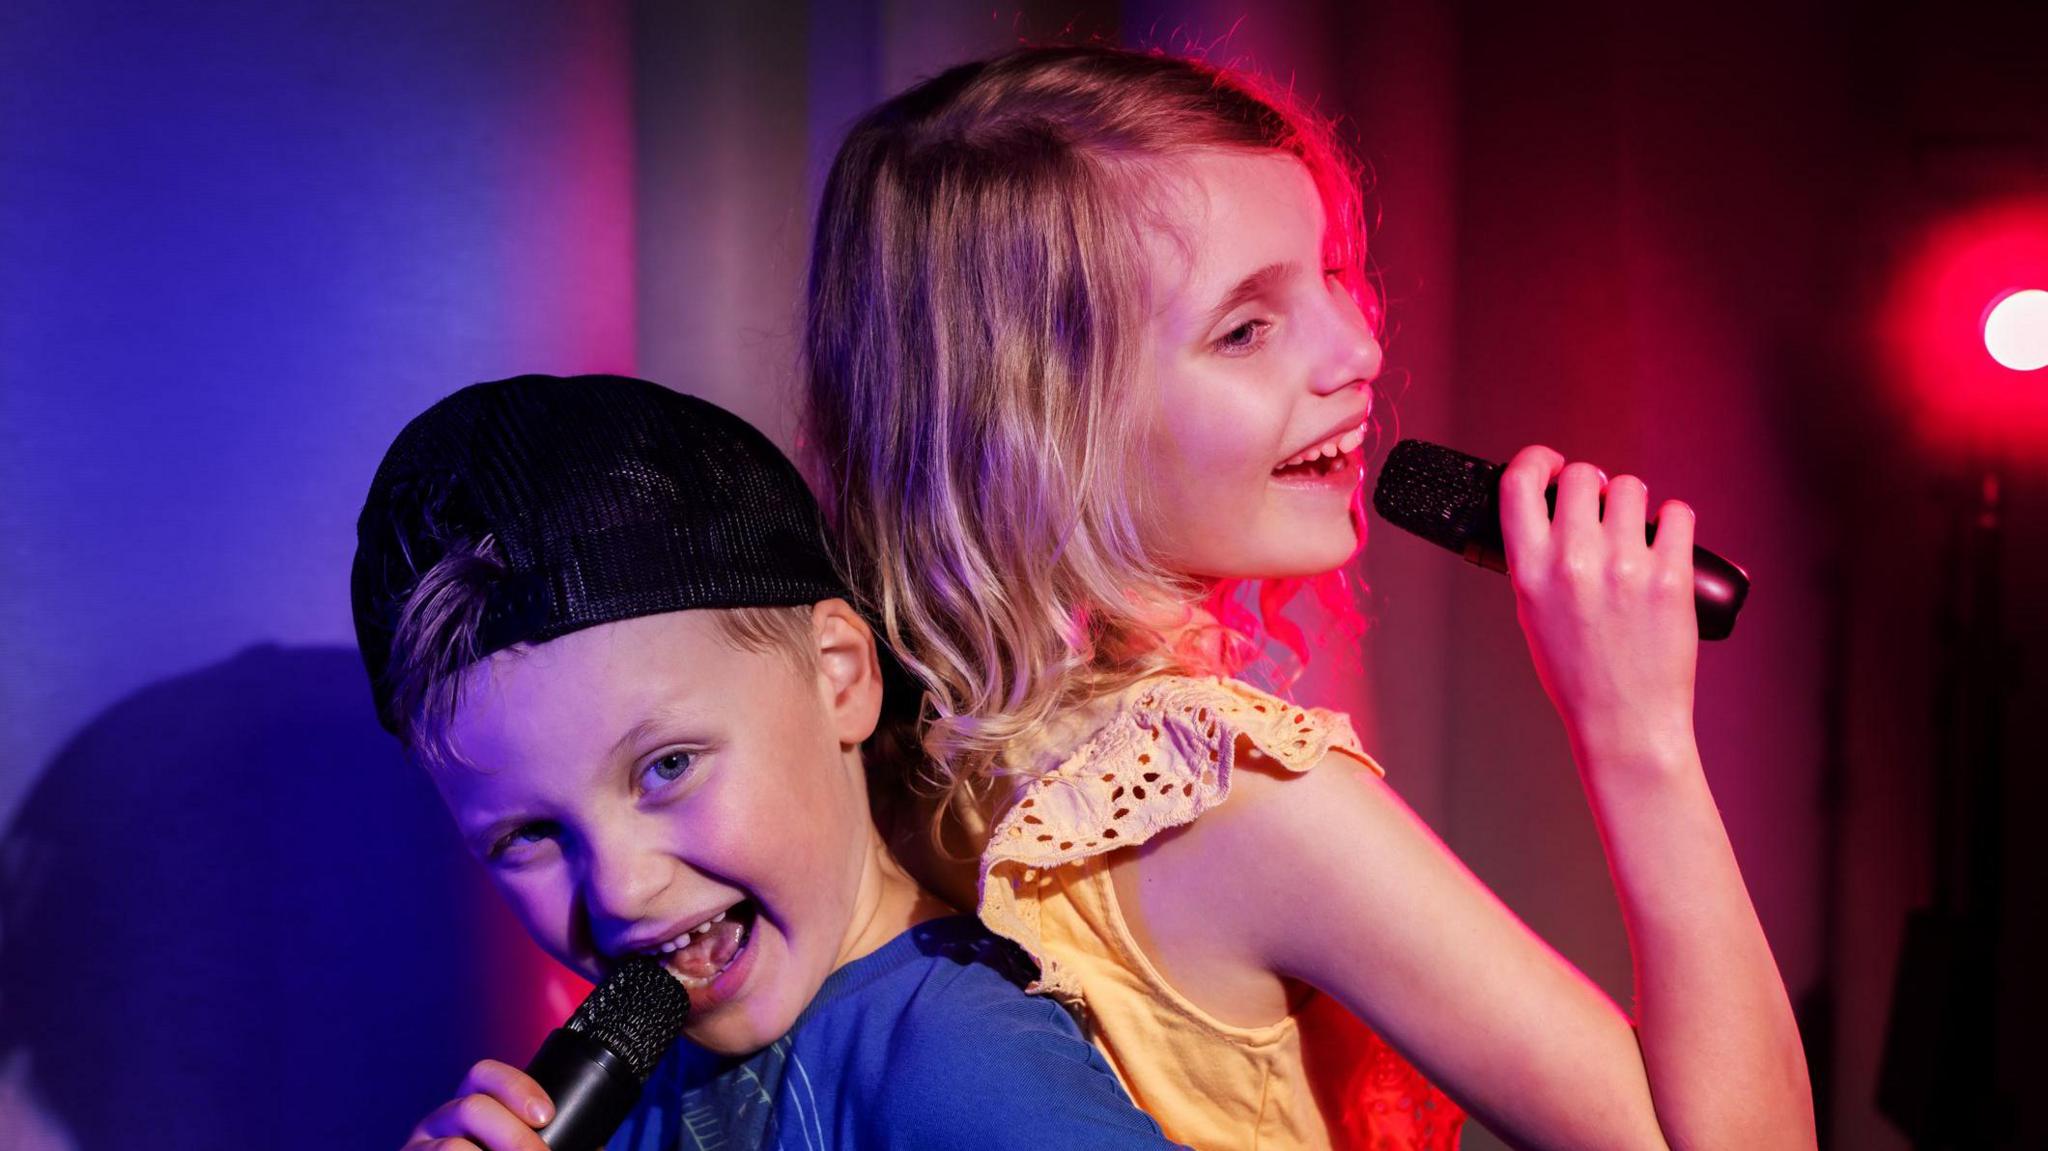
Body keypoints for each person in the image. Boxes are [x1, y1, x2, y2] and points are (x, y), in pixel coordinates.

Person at [803, 45, 1817, 1150]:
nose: (1361, 348)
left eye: (1334, 274)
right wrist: (1638, 733)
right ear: (1035, 431)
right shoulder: (1235, 790)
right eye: (1245, 327)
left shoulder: (896, 741)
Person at [351, 374, 1187, 1150]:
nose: (618, 888)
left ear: (840, 676)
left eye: (667, 765)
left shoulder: (956, 1064)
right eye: (528, 833)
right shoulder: (637, 1090)